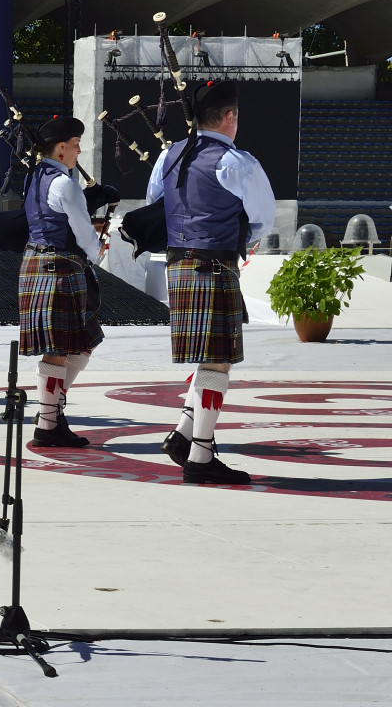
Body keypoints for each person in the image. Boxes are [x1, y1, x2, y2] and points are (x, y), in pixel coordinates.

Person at [146, 79, 275, 485]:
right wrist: (243, 242)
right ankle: (201, 457)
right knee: (218, 361)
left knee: (207, 358)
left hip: (177, 267)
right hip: (216, 266)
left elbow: (155, 204)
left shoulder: (169, 155)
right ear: (230, 116)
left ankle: (183, 437)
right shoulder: (236, 161)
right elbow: (262, 219)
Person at [18, 117, 104, 447]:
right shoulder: (64, 183)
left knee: (85, 341)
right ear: (62, 148)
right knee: (58, 351)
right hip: (59, 265)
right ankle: (48, 424)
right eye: (76, 144)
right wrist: (96, 254)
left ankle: (51, 414)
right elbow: (83, 230)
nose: (79, 150)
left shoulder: (35, 175)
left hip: (39, 262)